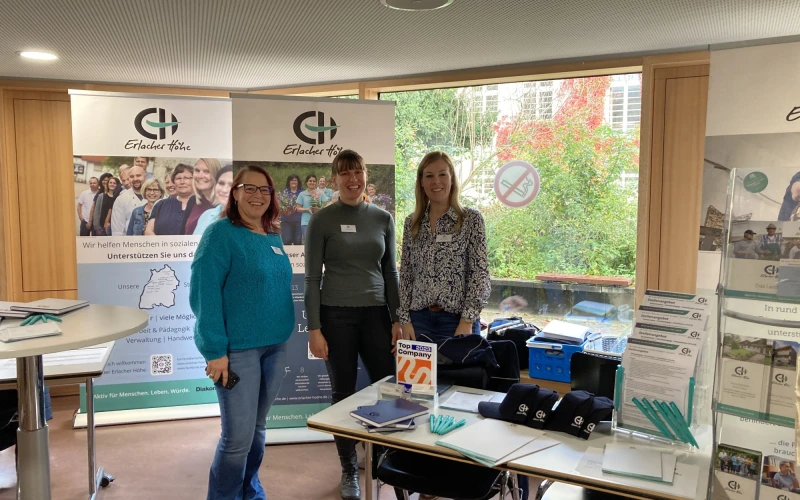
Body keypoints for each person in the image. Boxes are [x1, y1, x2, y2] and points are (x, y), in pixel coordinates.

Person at [190, 164, 293, 500]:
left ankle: (249, 490)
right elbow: (204, 293)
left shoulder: (272, 235)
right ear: (234, 193)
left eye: (264, 190)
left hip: (275, 348)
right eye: (249, 188)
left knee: (258, 430)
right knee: (236, 441)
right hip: (237, 353)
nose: (257, 196)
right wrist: (214, 351)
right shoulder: (219, 234)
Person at [304, 150, 402, 500]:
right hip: (336, 315)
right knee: (343, 394)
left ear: (365, 175)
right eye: (344, 174)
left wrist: (399, 318)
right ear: (334, 180)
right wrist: (314, 327)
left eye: (357, 172)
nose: (351, 179)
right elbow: (312, 276)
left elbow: (390, 272)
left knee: (390, 389)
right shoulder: (322, 220)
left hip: (377, 315)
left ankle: (385, 458)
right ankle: (349, 469)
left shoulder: (382, 218)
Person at [398, 151, 491, 339]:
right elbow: (407, 274)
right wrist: (405, 320)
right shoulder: (412, 222)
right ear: (421, 182)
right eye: (429, 176)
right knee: (418, 371)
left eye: (442, 174)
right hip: (418, 321)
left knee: (460, 369)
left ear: (452, 179)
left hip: (457, 321)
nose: (436, 182)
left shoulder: (470, 220)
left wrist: (467, 321)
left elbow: (480, 275)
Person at [145, 164, 194, 236]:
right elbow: (148, 231)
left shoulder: (203, 206)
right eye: (178, 178)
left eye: (186, 178)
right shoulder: (161, 205)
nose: (182, 182)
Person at [184, 158, 222, 235]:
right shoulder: (192, 200)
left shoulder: (224, 205)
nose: (200, 176)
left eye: (207, 171)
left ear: (216, 175)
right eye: (197, 171)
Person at [194, 165, 234, 236]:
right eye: (221, 183)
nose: (224, 190)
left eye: (231, 185)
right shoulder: (206, 215)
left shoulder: (250, 221)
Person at [110, 165, 147, 236]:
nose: (135, 179)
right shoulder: (121, 199)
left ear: (145, 176)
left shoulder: (153, 196)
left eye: (138, 175)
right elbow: (117, 230)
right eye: (132, 176)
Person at [296, 174, 327, 242]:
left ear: (316, 183)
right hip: (306, 223)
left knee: (318, 241)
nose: (312, 182)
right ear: (306, 182)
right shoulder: (302, 194)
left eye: (314, 181)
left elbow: (326, 205)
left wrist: (320, 209)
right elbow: (298, 208)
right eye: (310, 181)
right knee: (308, 241)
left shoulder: (320, 193)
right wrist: (307, 209)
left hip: (318, 222)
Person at [279, 174, 302, 245]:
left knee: (298, 241)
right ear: (289, 182)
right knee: (286, 240)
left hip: (298, 221)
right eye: (291, 180)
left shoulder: (302, 193)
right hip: (286, 221)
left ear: (298, 182)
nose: (293, 182)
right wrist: (284, 210)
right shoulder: (284, 193)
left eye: (295, 180)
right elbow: (280, 206)